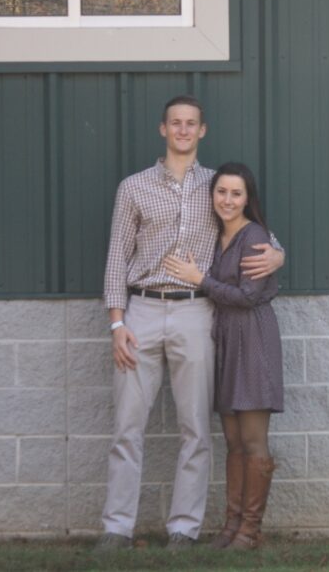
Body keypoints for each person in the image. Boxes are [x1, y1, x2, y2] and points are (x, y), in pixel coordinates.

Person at [98, 96, 284, 551]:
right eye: (175, 123)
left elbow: (254, 226)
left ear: (202, 131)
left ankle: (184, 528)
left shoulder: (215, 185)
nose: (183, 130)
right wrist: (116, 324)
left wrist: (280, 253)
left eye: (191, 124)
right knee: (127, 426)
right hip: (141, 310)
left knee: (196, 427)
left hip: (197, 311)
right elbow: (117, 257)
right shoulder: (134, 187)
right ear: (163, 129)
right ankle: (116, 528)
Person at [163, 161, 283, 550]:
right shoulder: (215, 236)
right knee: (232, 440)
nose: (227, 200)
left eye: (236, 193)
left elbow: (248, 296)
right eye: (221, 192)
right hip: (226, 340)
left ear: (248, 199)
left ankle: (250, 530)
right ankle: (231, 527)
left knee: (252, 440)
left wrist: (201, 281)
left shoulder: (256, 237)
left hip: (253, 340)